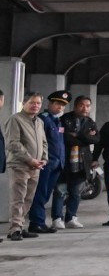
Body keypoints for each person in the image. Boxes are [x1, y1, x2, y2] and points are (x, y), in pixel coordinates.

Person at [5, 92, 48, 240]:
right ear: (24, 103)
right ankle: (14, 229)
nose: (35, 105)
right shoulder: (15, 120)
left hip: (35, 166)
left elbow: (43, 142)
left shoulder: (39, 122)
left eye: (38, 103)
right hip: (20, 165)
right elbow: (13, 143)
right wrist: (29, 160)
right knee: (18, 198)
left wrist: (44, 159)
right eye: (32, 102)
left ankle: (21, 225)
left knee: (28, 198)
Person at [55, 94, 98, 228]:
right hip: (65, 160)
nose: (85, 108)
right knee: (60, 190)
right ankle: (57, 218)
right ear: (75, 106)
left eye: (87, 106)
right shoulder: (64, 119)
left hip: (82, 162)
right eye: (81, 105)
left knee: (76, 192)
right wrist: (85, 138)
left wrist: (78, 135)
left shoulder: (90, 122)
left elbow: (96, 139)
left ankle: (71, 217)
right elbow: (64, 138)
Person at [27, 90, 66, 234]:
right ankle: (36, 222)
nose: (60, 107)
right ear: (49, 104)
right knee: (40, 193)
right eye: (57, 104)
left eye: (62, 105)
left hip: (56, 164)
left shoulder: (58, 120)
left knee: (46, 194)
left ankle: (40, 221)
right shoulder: (43, 119)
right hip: (46, 163)